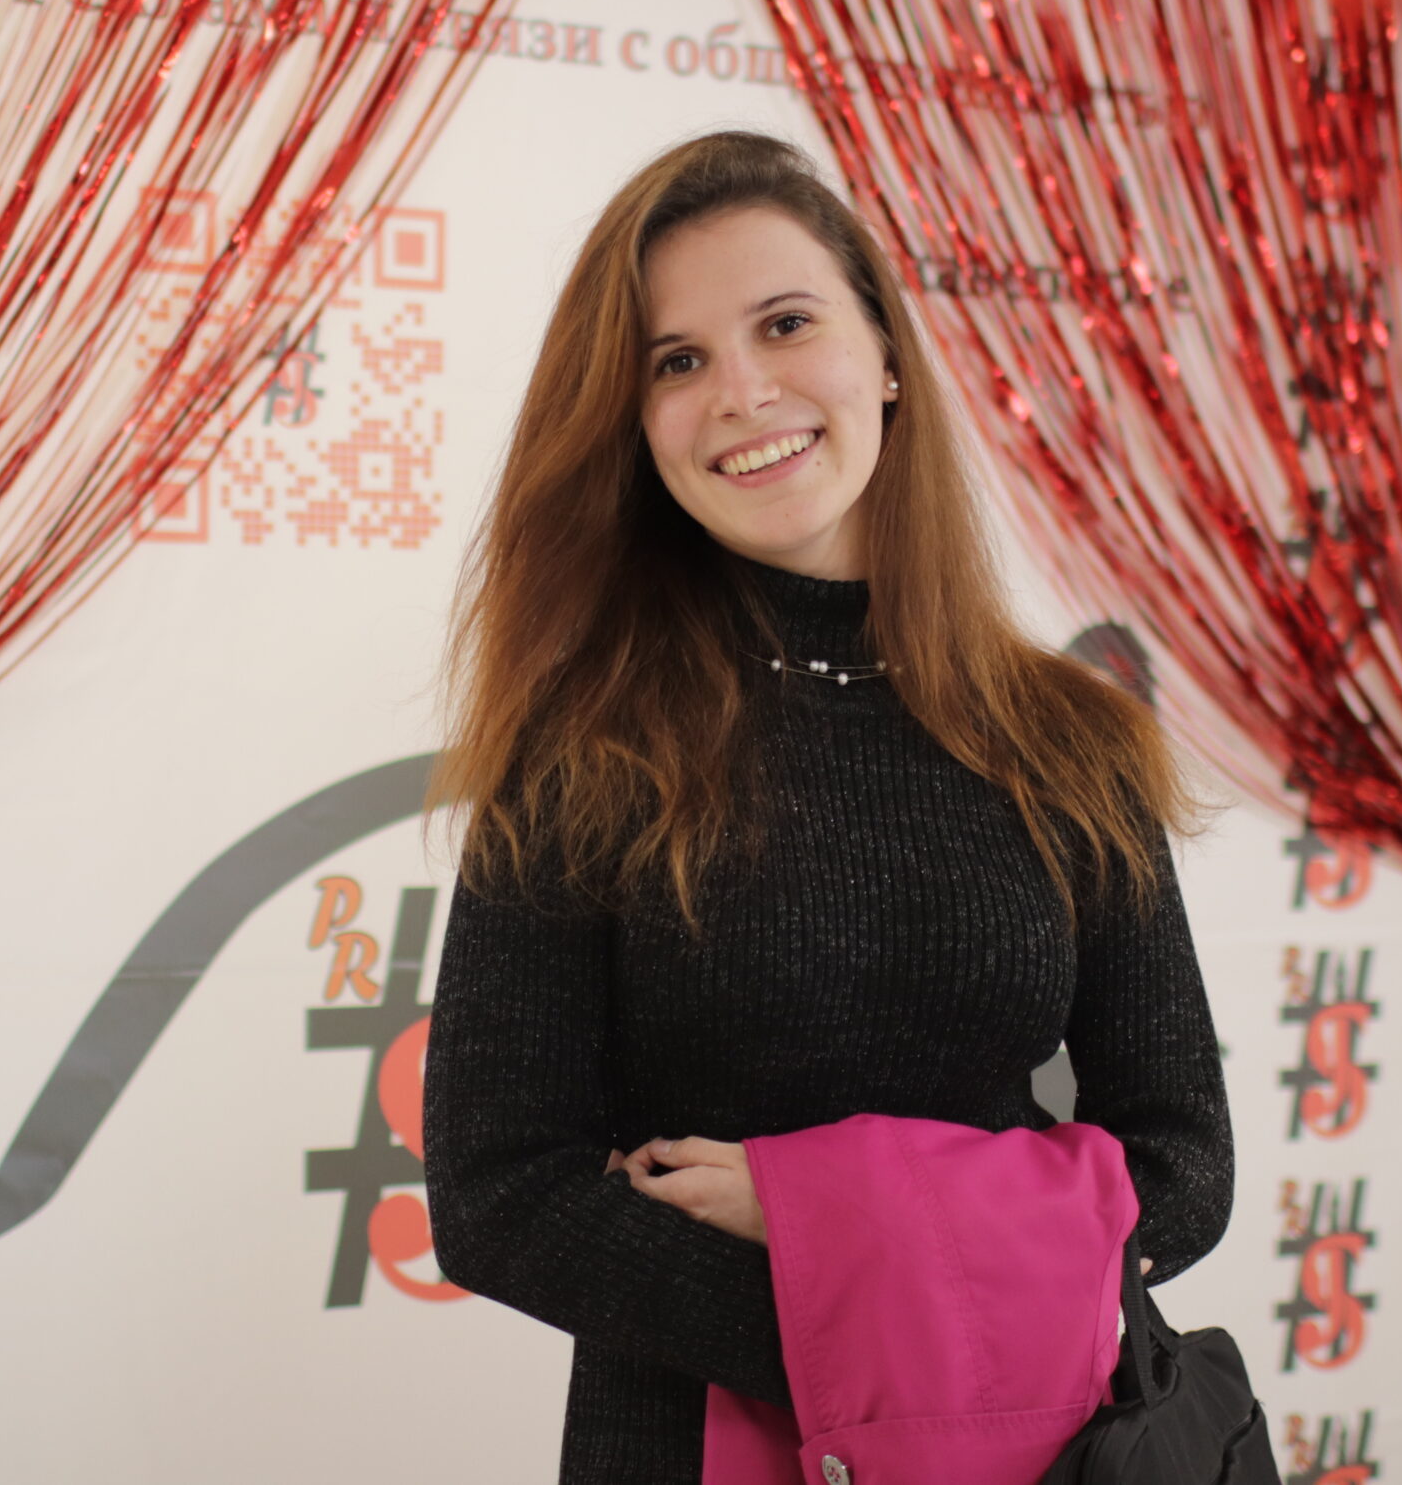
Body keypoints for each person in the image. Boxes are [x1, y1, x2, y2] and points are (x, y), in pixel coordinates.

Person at [421, 130, 1232, 1484]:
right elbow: (499, 1194)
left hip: (1041, 1458)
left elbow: (1183, 1165)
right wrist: (895, 1336)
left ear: (887, 356)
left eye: (786, 324)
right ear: (635, 423)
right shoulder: (583, 750)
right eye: (676, 362)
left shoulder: (1068, 741)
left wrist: (832, 1228)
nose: (742, 392)